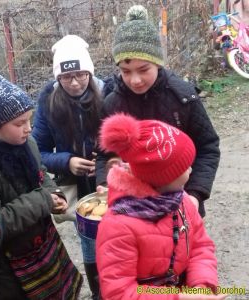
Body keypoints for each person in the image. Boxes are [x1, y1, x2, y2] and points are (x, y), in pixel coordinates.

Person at [0, 59, 82, 300]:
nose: (29, 128)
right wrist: (43, 200)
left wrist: (54, 195)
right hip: (10, 271)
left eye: (29, 119)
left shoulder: (27, 144)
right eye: (19, 123)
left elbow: (42, 177)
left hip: (44, 247)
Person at [96, 5, 220, 218]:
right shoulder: (112, 104)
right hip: (132, 207)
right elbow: (104, 155)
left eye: (144, 70)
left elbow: (208, 147)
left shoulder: (183, 96)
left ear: (157, 63)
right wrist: (102, 181)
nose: (135, 80)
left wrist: (195, 194)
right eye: (126, 72)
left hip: (181, 201)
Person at [96, 113, 226, 300]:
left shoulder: (181, 200)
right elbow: (119, 293)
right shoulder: (118, 225)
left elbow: (200, 245)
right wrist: (179, 297)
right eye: (184, 167)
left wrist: (201, 285)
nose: (191, 169)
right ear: (164, 178)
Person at [32, 34, 114, 299]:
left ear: (90, 72)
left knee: (118, 234)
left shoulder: (108, 93)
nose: (75, 82)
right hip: (75, 184)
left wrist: (103, 163)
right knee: (88, 240)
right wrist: (67, 160)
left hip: (110, 180)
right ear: (58, 78)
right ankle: (99, 292)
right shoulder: (48, 103)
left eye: (81, 74)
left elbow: (122, 138)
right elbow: (37, 151)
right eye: (67, 77)